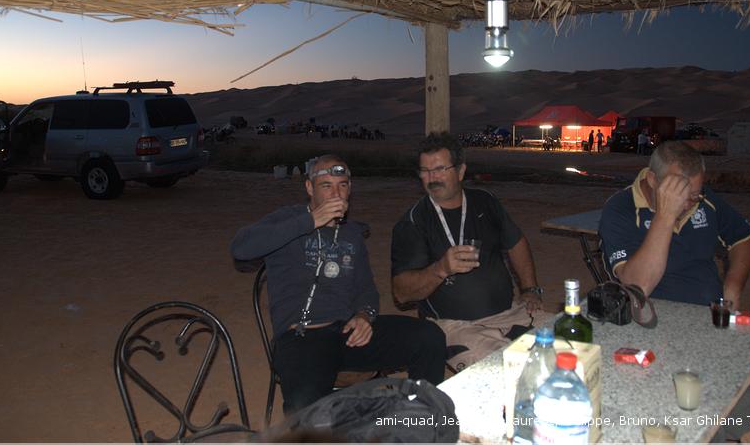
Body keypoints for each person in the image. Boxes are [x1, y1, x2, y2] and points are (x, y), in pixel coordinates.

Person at [599, 141, 750, 440]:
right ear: (653, 181)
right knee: (696, 402)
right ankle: (704, 428)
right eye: (680, 194)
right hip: (656, 330)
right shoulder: (620, 209)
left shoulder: (705, 201)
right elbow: (638, 286)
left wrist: (734, 284)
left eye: (695, 194)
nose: (689, 202)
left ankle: (710, 425)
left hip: (714, 320)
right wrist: (665, 215)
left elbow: (743, 237)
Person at [230, 154, 446, 414]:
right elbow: (241, 248)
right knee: (303, 409)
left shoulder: (352, 234)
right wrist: (311, 221)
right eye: (326, 186)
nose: (336, 194)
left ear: (349, 189)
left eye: (342, 185)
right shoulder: (288, 219)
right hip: (302, 339)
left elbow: (366, 289)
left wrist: (364, 316)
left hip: (347, 334)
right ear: (309, 188)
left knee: (429, 338)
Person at [391, 132, 544, 371]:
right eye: (425, 171)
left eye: (440, 169)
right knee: (504, 371)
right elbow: (401, 293)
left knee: (567, 345)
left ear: (461, 171)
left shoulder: (485, 201)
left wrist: (530, 289)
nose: (432, 178)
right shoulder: (413, 222)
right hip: (456, 327)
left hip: (511, 313)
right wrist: (440, 269)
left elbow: (516, 242)